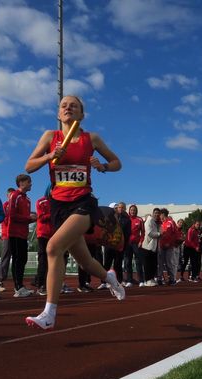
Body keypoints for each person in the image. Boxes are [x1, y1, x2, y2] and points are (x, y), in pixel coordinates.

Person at [24, 95, 124, 330]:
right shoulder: (51, 137)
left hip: (83, 202)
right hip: (59, 206)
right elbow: (29, 166)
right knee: (85, 261)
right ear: (59, 114)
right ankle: (110, 277)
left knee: (52, 248)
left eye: (74, 106)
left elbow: (117, 162)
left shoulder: (92, 138)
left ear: (81, 114)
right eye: (63, 106)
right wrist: (50, 155)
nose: (68, 108)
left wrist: (103, 166)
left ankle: (49, 314)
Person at [8, 174, 37, 298]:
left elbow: (25, 219)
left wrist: (33, 219)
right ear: (21, 183)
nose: (31, 184)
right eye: (29, 181)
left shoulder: (28, 199)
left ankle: (20, 285)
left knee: (23, 259)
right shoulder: (15, 195)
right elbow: (12, 215)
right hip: (14, 233)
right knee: (17, 259)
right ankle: (18, 287)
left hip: (23, 234)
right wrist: (28, 218)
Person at [35, 186, 52, 296]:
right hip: (43, 235)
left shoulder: (58, 202)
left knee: (56, 261)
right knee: (43, 260)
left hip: (55, 235)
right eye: (53, 188)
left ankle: (54, 284)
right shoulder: (41, 201)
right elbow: (41, 217)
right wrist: (54, 213)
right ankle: (40, 285)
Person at [0, 188, 14, 292]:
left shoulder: (17, 204)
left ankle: (18, 283)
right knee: (5, 258)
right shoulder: (5, 205)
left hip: (17, 235)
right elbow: (5, 219)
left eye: (13, 194)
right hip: (7, 235)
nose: (12, 196)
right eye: (10, 195)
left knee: (18, 258)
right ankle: (0, 281)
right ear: (7, 195)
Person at [125, 204, 145, 287]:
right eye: (131, 210)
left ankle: (141, 280)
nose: (132, 211)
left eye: (134, 210)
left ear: (136, 211)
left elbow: (143, 232)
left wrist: (141, 241)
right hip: (127, 244)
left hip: (136, 244)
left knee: (138, 262)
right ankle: (129, 280)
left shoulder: (139, 219)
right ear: (129, 211)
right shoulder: (126, 219)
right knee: (128, 262)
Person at [141, 209, 161, 287]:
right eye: (155, 213)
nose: (157, 215)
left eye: (158, 214)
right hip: (147, 246)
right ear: (153, 213)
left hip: (154, 247)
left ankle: (151, 278)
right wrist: (159, 233)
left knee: (153, 264)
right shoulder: (149, 220)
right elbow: (149, 233)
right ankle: (147, 280)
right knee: (148, 264)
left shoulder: (156, 222)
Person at [157, 208, 178, 285]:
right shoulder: (160, 224)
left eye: (160, 215)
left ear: (163, 214)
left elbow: (175, 234)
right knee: (160, 263)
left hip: (169, 247)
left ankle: (172, 279)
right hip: (161, 247)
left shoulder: (171, 222)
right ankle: (159, 279)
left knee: (169, 263)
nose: (159, 216)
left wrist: (170, 243)